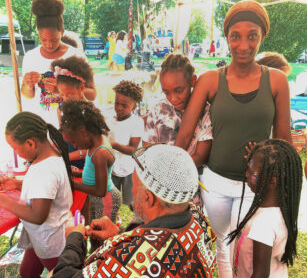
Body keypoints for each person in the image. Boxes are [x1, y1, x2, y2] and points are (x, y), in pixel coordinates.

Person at [174, 0, 292, 278]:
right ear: (226, 38)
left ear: (261, 38)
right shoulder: (211, 80)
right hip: (216, 183)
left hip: (256, 188)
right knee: (225, 247)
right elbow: (185, 134)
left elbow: (283, 143)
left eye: (251, 36)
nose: (243, 45)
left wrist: (266, 152)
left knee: (252, 255)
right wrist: (169, 171)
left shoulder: (277, 81)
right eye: (236, 36)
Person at [31, 144, 216, 278]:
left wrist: (74, 241)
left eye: (134, 186)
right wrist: (119, 237)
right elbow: (160, 251)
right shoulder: (200, 222)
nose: (132, 192)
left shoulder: (126, 267)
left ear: (148, 199)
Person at [0, 112, 73, 278]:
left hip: (51, 241)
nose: (15, 152)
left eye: (15, 147)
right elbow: (44, 193)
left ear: (31, 143)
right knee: (28, 272)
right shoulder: (48, 158)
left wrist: (3, 200)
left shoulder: (45, 171)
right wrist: (18, 184)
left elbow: (38, 215)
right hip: (40, 237)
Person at [227, 139, 301, 278]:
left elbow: (260, 273)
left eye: (252, 172)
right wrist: (258, 160)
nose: (246, 174)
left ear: (272, 179)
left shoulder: (263, 224)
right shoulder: (279, 208)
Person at [20, 0, 96, 128]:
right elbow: (28, 95)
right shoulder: (30, 57)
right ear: (37, 33)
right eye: (43, 39)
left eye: (54, 40)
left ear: (62, 31)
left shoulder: (76, 55)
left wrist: (64, 89)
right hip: (40, 126)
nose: (48, 45)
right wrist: (27, 85)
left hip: (72, 126)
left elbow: (92, 94)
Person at [60, 100, 121, 248]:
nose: (74, 146)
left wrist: (75, 185)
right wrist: (78, 174)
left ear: (83, 132)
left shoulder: (100, 153)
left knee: (102, 236)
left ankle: (102, 260)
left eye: (74, 142)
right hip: (99, 197)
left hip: (105, 198)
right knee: (93, 230)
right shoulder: (93, 144)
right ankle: (95, 255)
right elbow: (92, 174)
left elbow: (100, 190)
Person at [144, 54, 212, 168]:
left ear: (193, 81)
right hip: (159, 175)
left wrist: (172, 170)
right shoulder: (158, 108)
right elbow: (148, 148)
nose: (173, 99)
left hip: (189, 177)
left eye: (179, 90)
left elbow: (200, 156)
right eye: (166, 92)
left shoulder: (205, 112)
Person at [50, 55, 95, 170]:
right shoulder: (60, 109)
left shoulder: (90, 113)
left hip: (85, 166)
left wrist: (65, 157)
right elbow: (62, 137)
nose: (65, 98)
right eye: (62, 94)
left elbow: (92, 149)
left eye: (69, 94)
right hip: (67, 163)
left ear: (81, 88)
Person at [107, 80, 144, 210]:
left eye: (124, 105)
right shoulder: (109, 119)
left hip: (129, 169)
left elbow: (133, 149)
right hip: (112, 168)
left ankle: (138, 220)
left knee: (131, 200)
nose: (119, 108)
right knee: (112, 199)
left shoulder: (136, 122)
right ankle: (113, 222)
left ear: (133, 107)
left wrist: (113, 144)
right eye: (117, 103)